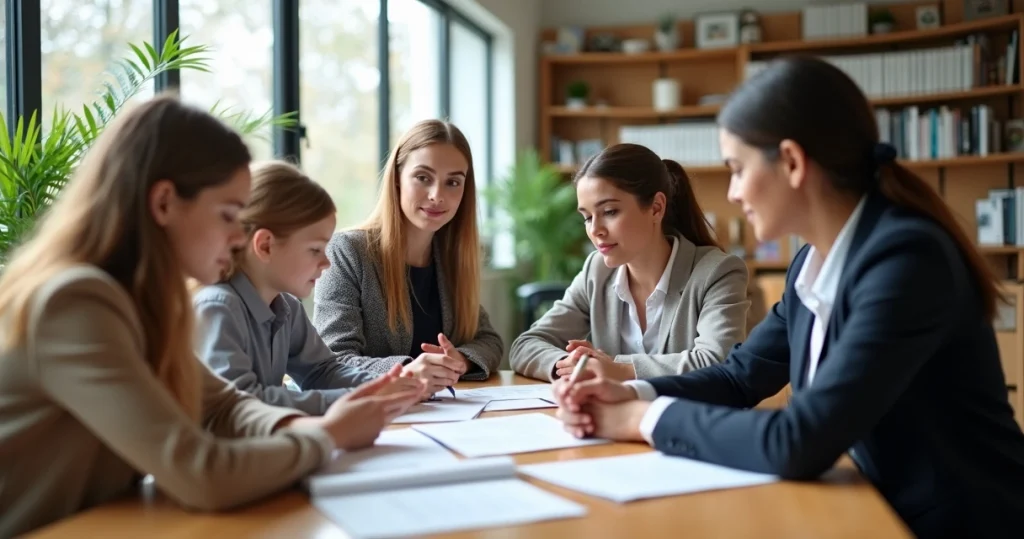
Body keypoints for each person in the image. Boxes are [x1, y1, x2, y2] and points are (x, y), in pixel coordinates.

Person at [553, 56, 1024, 539]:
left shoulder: (906, 260)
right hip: (869, 502)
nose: (733, 193)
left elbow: (799, 440)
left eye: (737, 169)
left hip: (956, 524)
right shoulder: (812, 263)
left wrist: (639, 417)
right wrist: (628, 391)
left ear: (793, 163)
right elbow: (740, 378)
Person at [0, 95, 424, 537]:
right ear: (164, 203)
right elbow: (200, 473)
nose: (240, 236)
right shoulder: (75, 304)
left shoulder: (148, 305)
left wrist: (323, 420)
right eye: (228, 215)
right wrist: (328, 436)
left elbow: (223, 407)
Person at [193, 161, 428, 414]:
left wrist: (384, 385)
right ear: (265, 246)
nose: (326, 263)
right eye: (315, 249)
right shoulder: (218, 308)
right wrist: (357, 399)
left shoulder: (287, 308)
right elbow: (244, 403)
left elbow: (321, 371)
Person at [509, 143, 750, 382]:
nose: (595, 230)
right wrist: (572, 365)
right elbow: (526, 345)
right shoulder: (597, 271)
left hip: (686, 418)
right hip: (609, 418)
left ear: (656, 208)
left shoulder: (717, 272)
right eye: (587, 217)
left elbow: (719, 361)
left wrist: (618, 368)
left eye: (610, 212)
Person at [312, 119, 503, 395]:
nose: (438, 195)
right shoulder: (348, 252)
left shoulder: (451, 257)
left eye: (453, 182)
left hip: (448, 419)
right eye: (423, 178)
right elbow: (331, 362)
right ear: (398, 179)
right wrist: (407, 372)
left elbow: (489, 341)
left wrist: (459, 360)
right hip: (377, 421)